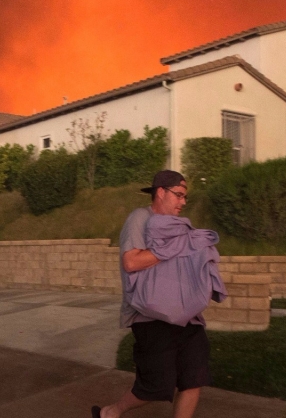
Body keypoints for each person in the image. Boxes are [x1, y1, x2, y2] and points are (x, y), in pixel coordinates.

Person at [93, 170, 210, 418]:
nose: (183, 202)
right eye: (179, 195)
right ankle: (112, 412)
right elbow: (131, 263)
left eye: (185, 197)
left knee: (194, 378)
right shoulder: (140, 218)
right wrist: (175, 247)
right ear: (160, 192)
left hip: (186, 314)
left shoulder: (179, 226)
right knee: (156, 385)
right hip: (150, 316)